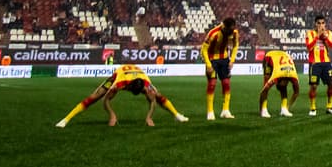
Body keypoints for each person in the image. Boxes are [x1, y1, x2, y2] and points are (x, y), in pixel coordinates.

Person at [56, 64, 188, 127]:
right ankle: (66, 119)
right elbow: (106, 100)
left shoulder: (146, 84)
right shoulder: (119, 83)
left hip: (138, 74)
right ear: (128, 88)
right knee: (94, 97)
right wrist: (112, 115)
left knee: (158, 96)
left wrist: (149, 117)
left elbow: (152, 101)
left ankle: (177, 115)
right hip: (119, 74)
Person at [201, 16, 239, 119]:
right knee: (212, 84)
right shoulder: (213, 33)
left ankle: (225, 110)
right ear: (224, 27)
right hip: (212, 60)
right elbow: (203, 49)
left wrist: (232, 60)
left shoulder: (234, 32)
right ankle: (210, 112)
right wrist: (208, 65)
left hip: (225, 60)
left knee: (226, 83)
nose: (231, 32)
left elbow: (236, 45)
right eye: (229, 29)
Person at [304, 15, 332, 116]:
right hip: (314, 63)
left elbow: (331, 46)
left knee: (331, 84)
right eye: (318, 23)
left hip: (326, 63)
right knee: (314, 86)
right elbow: (309, 47)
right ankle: (313, 108)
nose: (321, 25)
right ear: (315, 24)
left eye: (323, 23)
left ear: (325, 24)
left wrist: (324, 38)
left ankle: (330, 107)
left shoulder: (329, 33)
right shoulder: (310, 33)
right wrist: (317, 36)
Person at [259, 48, 300, 117]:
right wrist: (261, 110)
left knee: (283, 88)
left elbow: (296, 92)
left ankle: (284, 109)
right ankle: (264, 109)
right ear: (277, 81)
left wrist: (288, 107)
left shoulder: (294, 76)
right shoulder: (276, 75)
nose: (283, 86)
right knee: (266, 81)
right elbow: (263, 91)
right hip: (269, 57)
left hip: (284, 57)